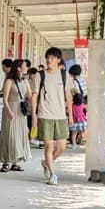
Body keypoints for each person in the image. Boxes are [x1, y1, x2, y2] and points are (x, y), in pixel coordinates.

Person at [32, 48, 72, 186]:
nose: (49, 60)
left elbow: (68, 96)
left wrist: (70, 115)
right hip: (45, 114)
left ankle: (46, 163)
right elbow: (34, 96)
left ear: (58, 60)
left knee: (61, 147)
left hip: (60, 115)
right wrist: (34, 115)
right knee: (48, 146)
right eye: (47, 57)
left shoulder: (64, 75)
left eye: (52, 58)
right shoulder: (40, 75)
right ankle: (52, 174)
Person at [0, 59, 33, 172]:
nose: (26, 68)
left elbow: (29, 95)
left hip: (20, 110)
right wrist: (8, 110)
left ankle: (15, 162)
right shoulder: (9, 81)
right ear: (18, 67)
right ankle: (5, 161)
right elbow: (4, 98)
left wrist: (27, 83)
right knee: (10, 135)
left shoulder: (24, 81)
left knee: (19, 135)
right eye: (24, 66)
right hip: (11, 108)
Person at [68, 64, 87, 146]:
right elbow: (85, 91)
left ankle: (74, 139)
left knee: (75, 120)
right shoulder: (82, 79)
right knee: (81, 119)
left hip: (77, 102)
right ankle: (79, 139)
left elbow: (76, 92)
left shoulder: (74, 81)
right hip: (83, 101)